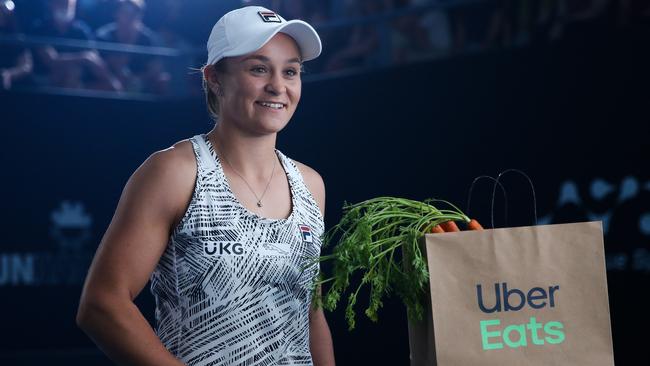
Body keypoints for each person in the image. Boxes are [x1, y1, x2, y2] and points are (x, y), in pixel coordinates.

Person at [76, 5, 335, 366]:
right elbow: (102, 304)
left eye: (290, 71)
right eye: (258, 69)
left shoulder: (311, 185)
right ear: (214, 77)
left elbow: (311, 314)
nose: (278, 86)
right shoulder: (175, 172)